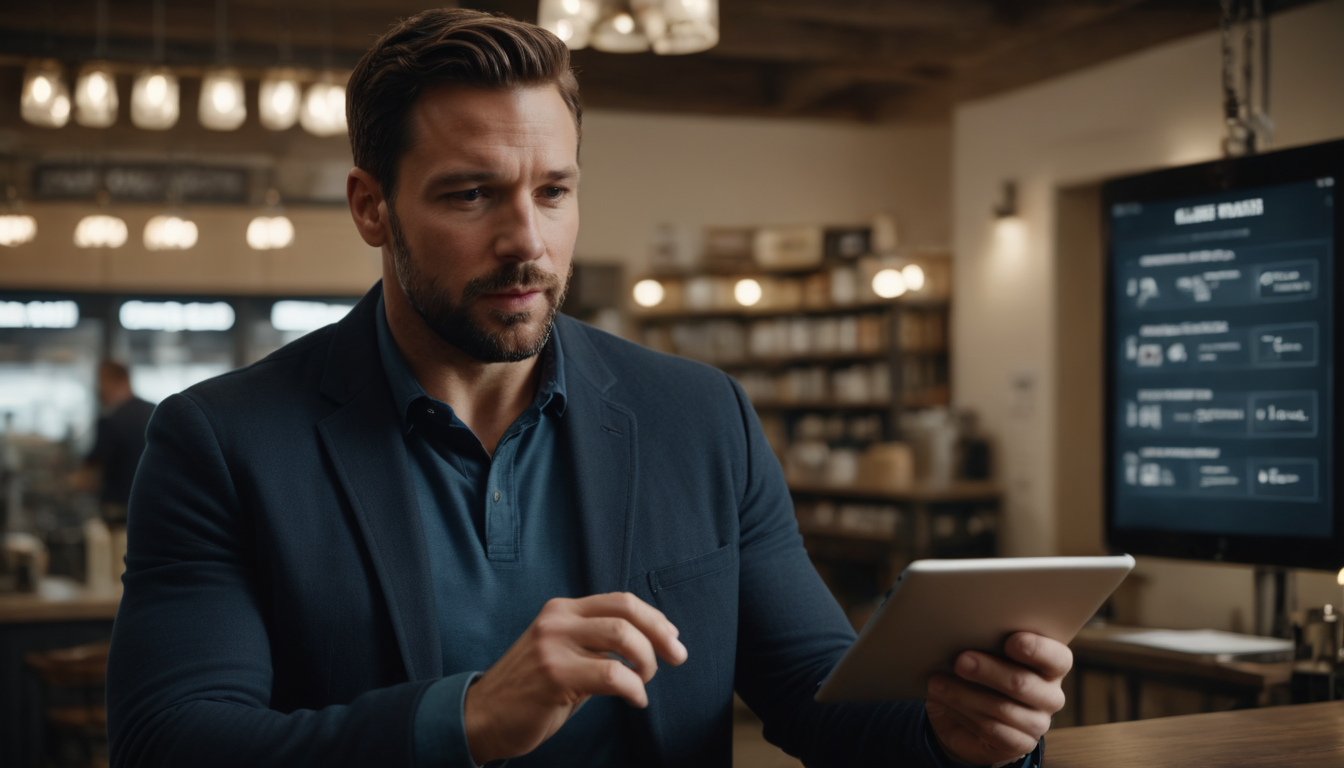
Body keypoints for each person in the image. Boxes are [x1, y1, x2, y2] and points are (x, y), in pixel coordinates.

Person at [106, 10, 1070, 768]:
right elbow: (173, 744)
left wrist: (958, 735)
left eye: (554, 191)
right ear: (372, 208)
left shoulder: (701, 415)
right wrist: (469, 718)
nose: (527, 239)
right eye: (471, 193)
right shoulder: (222, 441)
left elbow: (818, 693)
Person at [79, 360, 155, 527]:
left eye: (101, 382)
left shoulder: (110, 421)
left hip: (118, 513)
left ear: (120, 381)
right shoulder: (155, 412)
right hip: (155, 510)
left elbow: (88, 475)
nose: (99, 390)